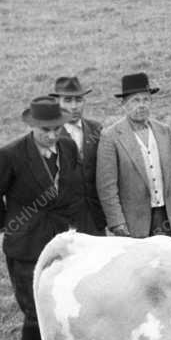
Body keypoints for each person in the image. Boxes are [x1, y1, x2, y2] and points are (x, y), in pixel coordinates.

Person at [0, 96, 85, 340]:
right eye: (44, 130)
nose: (51, 136)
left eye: (56, 129)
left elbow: (74, 188)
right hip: (26, 242)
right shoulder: (10, 155)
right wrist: (9, 224)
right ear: (32, 127)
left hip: (61, 237)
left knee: (62, 295)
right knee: (33, 300)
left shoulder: (68, 147)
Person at [96, 72, 171, 238]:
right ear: (124, 105)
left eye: (146, 100)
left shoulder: (164, 131)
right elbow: (107, 187)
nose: (141, 105)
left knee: (167, 261)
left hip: (166, 216)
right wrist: (116, 221)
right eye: (135, 100)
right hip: (133, 222)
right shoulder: (111, 136)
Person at [50, 75, 106, 235]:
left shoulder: (96, 129)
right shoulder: (49, 135)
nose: (74, 106)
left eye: (78, 100)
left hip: (96, 220)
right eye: (67, 100)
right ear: (57, 103)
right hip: (64, 224)